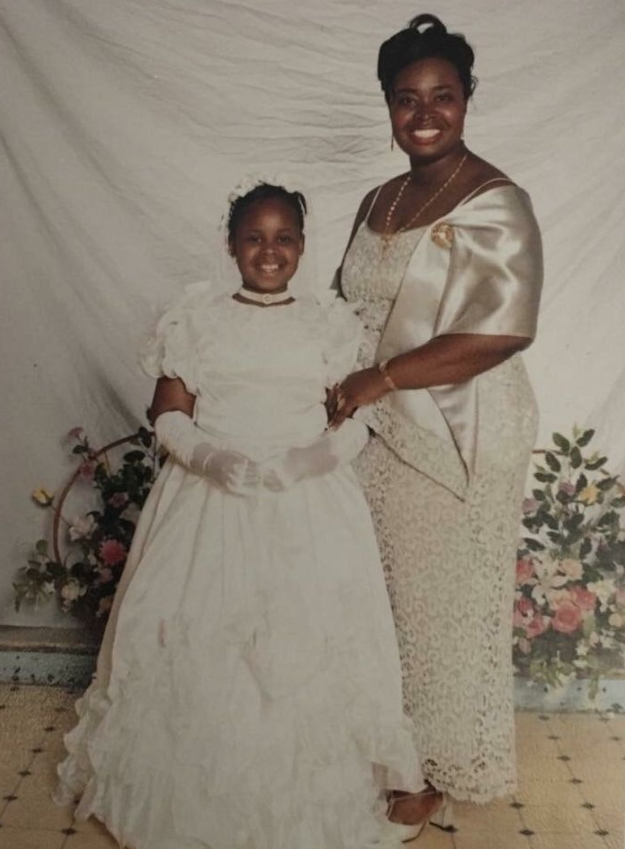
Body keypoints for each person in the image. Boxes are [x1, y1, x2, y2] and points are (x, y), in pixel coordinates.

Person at [54, 180, 428, 849]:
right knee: (205, 635)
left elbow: (355, 421)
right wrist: (210, 457)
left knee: (305, 637)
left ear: (302, 247)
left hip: (304, 501)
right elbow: (166, 411)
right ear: (230, 244)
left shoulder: (328, 324)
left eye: (283, 237)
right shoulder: (195, 318)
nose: (269, 251)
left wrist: (307, 461)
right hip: (208, 498)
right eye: (254, 237)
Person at [330, 13, 543, 825]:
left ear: (466, 100)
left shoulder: (497, 202)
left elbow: (502, 330)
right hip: (374, 428)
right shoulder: (378, 197)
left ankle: (429, 767)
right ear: (386, 106)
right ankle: (384, 752)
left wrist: (377, 378)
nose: (423, 114)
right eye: (404, 98)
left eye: (441, 96)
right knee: (376, 601)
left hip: (461, 428)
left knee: (435, 607)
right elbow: (343, 306)